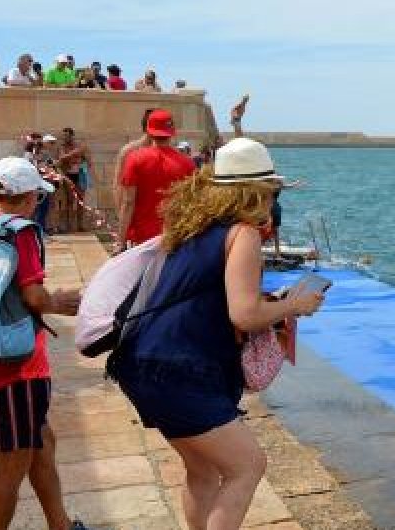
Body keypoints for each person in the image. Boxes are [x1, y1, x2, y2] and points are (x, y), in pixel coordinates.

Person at [109, 138, 323, 530]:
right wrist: (294, 305)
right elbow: (243, 314)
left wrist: (269, 301)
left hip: (140, 362)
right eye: (272, 190)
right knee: (247, 466)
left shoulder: (192, 227)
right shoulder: (243, 233)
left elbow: (208, 294)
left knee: (203, 472)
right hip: (180, 370)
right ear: (256, 190)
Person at [0, 157, 90, 530]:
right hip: (17, 368)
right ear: (29, 196)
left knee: (42, 442)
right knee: (12, 463)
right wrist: (59, 302)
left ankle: (60, 525)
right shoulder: (21, 231)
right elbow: (34, 296)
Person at [116, 109, 196, 249]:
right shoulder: (187, 163)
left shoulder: (134, 159)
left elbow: (128, 202)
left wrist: (120, 241)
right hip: (174, 237)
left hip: (142, 239)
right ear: (171, 132)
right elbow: (191, 204)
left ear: (149, 130)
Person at [112, 109, 155, 215]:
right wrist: (121, 215)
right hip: (136, 214)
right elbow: (119, 184)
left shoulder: (168, 153)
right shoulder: (129, 151)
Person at [56, 128, 91, 232]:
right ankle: (68, 225)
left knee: (80, 201)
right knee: (69, 201)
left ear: (72, 136)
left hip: (79, 175)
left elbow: (86, 158)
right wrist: (74, 154)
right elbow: (61, 158)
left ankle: (80, 225)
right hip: (68, 175)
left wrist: (72, 157)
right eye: (64, 136)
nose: (65, 138)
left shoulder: (78, 146)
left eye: (67, 135)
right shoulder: (62, 147)